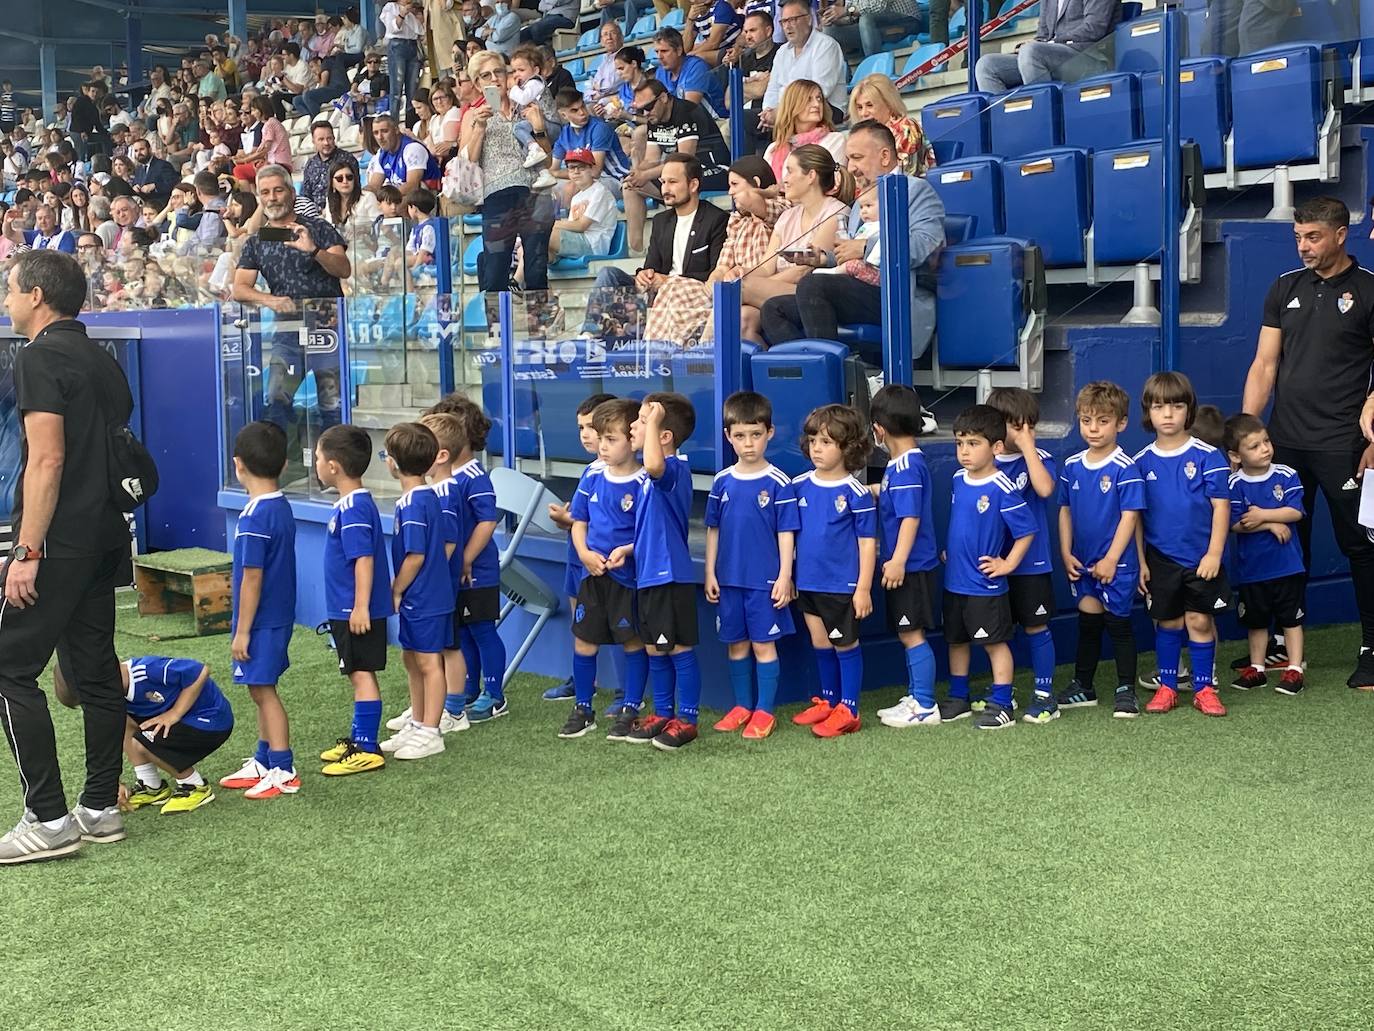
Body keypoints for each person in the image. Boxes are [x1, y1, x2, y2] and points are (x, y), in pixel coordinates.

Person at [0, 251, 135, 864]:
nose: (6, 300)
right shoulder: (102, 359)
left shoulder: (38, 356)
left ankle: (49, 819)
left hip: (60, 541)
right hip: (107, 535)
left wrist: (25, 551)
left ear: (35, 294)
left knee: (9, 668)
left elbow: (47, 460)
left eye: (10, 289)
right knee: (96, 672)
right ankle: (100, 808)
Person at [1252, 198, 1374, 691]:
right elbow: (1265, 366)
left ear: (1341, 235)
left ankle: (1371, 645)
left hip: (1344, 442)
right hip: (1284, 443)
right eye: (1298, 237)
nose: (1303, 246)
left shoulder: (1369, 291)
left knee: (1361, 546)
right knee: (1283, 542)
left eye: (1313, 237)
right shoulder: (1285, 286)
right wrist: (1247, 431)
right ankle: (1283, 639)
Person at [762, 121, 946, 356]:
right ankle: (815, 375)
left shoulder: (917, 191)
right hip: (860, 288)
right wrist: (824, 259)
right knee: (773, 308)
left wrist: (866, 247)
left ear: (885, 156)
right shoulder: (862, 201)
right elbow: (852, 252)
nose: (851, 167)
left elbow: (924, 249)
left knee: (813, 285)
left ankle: (831, 379)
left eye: (857, 158)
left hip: (897, 293)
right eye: (849, 159)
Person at [1133, 371, 1231, 718]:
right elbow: (1137, 517)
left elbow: (1222, 507)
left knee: (1199, 622)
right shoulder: (1141, 462)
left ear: (1189, 409)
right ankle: (1168, 688)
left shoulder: (1208, 456)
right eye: (1159, 407)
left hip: (1201, 558)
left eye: (1176, 406)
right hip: (1161, 559)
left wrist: (1214, 553)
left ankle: (1204, 687)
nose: (1169, 414)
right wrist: (1142, 562)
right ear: (1149, 412)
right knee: (1168, 623)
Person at [703, 391, 798, 741]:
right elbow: (713, 529)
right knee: (736, 644)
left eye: (755, 435)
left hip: (765, 581)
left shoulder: (779, 482)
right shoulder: (722, 481)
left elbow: (787, 534)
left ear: (769, 433)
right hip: (728, 580)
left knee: (763, 645)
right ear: (728, 436)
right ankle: (742, 705)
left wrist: (785, 577)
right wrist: (710, 571)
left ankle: (764, 711)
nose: (748, 443)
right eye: (740, 436)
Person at [938, 405, 1038, 731]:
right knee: (956, 639)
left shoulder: (1003, 488)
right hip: (954, 581)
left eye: (973, 443)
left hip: (984, 585)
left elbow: (1027, 531)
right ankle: (958, 695)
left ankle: (1001, 701)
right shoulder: (957, 479)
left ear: (996, 447)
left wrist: (1007, 563)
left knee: (995, 643)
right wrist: (951, 551)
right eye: (959, 443)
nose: (964, 451)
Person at [613, 394, 702, 751]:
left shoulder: (673, 469)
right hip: (647, 576)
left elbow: (653, 464)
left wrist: (655, 417)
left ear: (663, 436)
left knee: (678, 648)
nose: (634, 426)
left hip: (670, 577)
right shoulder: (648, 481)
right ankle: (663, 713)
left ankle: (689, 719)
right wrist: (628, 549)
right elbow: (653, 528)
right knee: (654, 649)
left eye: (642, 421)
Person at [217, 421, 300, 800]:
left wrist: (243, 630)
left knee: (264, 691)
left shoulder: (253, 518)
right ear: (284, 465)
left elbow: (251, 579)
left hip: (261, 621)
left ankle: (283, 767)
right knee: (258, 689)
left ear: (238, 465)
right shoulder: (281, 507)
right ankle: (264, 759)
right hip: (276, 616)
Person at [1055, 381, 1145, 717]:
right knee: (1088, 623)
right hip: (1083, 563)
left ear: (1121, 423)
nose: (1093, 429)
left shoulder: (1126, 467)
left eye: (1102, 421)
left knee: (1119, 625)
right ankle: (1084, 686)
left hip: (1116, 566)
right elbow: (1064, 509)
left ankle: (1126, 690)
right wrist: (1065, 551)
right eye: (1086, 420)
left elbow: (1130, 516)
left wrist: (1111, 558)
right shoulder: (1072, 466)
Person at [788, 404, 875, 738]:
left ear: (848, 447)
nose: (817, 449)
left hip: (842, 585)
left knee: (845, 645)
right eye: (813, 441)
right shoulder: (798, 486)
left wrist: (863, 588)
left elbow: (867, 543)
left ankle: (849, 709)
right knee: (819, 641)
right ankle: (828, 702)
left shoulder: (856, 493)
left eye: (826, 442)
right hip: (807, 581)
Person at [51, 655, 229, 816]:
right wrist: (112, 782)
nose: (95, 703)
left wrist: (175, 713)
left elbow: (199, 670)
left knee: (141, 742)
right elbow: (107, 739)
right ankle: (151, 786)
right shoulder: (111, 697)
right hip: (180, 725)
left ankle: (194, 786)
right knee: (120, 721)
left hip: (211, 721)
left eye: (92, 697)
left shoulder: (147, 670)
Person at [567, 399, 651, 740]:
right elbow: (578, 520)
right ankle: (583, 708)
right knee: (584, 641)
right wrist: (585, 553)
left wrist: (625, 551)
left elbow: (648, 531)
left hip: (626, 577)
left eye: (610, 438)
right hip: (593, 574)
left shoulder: (645, 480)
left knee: (632, 642)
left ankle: (632, 706)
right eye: (599, 437)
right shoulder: (592, 474)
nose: (601, 445)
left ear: (632, 439)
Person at [314, 425, 394, 776]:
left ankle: (367, 746)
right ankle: (358, 737)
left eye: (317, 457)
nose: (314, 463)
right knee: (355, 671)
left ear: (333, 466)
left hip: (355, 610)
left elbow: (364, 558)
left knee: (361, 673)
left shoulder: (356, 507)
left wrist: (360, 606)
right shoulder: (349, 504)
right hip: (346, 608)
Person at [644, 155, 784, 346]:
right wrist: (710, 290)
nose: (730, 192)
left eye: (735, 184)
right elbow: (721, 266)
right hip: (729, 287)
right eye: (663, 182)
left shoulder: (779, 212)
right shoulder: (737, 220)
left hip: (761, 289)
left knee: (674, 286)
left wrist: (768, 192)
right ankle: (658, 351)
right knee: (673, 288)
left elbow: (757, 203)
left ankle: (668, 355)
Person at [584, 153, 729, 334]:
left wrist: (669, 281)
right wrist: (645, 275)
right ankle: (589, 335)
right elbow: (651, 267)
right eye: (663, 182)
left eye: (673, 182)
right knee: (608, 275)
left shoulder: (716, 220)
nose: (665, 189)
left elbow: (715, 274)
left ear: (693, 185)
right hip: (657, 295)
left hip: (690, 296)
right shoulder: (661, 221)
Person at [428, 396, 508, 722]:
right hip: (456, 574)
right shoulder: (443, 477)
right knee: (464, 633)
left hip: (478, 573)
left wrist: (466, 559)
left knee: (483, 631)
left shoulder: (474, 476)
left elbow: (488, 521)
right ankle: (469, 689)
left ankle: (495, 695)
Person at [377, 422, 454, 761]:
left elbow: (415, 555)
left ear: (393, 462)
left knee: (428, 662)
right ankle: (418, 720)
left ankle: (430, 730)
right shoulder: (419, 498)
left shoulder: (415, 504)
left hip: (425, 597)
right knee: (411, 658)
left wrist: (396, 589)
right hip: (420, 596)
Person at [984, 387, 1060, 724]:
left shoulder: (1040, 459)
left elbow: (1044, 489)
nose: (1020, 432)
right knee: (1000, 631)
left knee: (1036, 626)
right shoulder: (986, 462)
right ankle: (1003, 694)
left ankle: (1045, 696)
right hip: (994, 563)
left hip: (1031, 564)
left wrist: (1029, 448)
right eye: (1013, 425)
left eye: (1027, 425)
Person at [868, 386, 942, 730]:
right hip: (908, 564)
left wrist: (897, 561)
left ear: (878, 428)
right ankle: (916, 696)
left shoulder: (909, 466)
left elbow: (910, 518)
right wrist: (877, 491)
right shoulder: (901, 464)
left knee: (912, 633)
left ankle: (926, 704)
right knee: (905, 632)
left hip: (911, 567)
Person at [461, 51, 553, 312]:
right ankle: (496, 339)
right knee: (495, 270)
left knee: (536, 270)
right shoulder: (473, 115)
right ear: (478, 83)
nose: (494, 79)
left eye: (498, 72)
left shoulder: (526, 105)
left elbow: (546, 160)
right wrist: (479, 128)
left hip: (535, 192)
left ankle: (540, 334)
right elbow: (467, 162)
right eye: (486, 75)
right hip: (497, 196)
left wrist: (538, 127)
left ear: (508, 75)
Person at [1224, 413, 1309, 695]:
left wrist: (1264, 515)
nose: (1265, 449)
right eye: (1255, 446)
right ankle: (1257, 669)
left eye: (1266, 442)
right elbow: (1236, 523)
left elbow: (1295, 511)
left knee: (1291, 619)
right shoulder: (1234, 484)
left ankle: (1294, 668)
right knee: (1256, 621)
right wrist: (1270, 523)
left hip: (1286, 566)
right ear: (1236, 455)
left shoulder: (1286, 475)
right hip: (1253, 570)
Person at [543, 393, 620, 703]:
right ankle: (582, 680)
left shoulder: (620, 472)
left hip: (605, 563)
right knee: (582, 624)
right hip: (578, 559)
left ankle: (625, 690)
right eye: (582, 427)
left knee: (619, 626)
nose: (588, 435)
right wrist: (567, 520)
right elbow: (581, 517)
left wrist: (569, 518)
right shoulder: (590, 470)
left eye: (593, 427)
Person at [743, 144, 853, 337]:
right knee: (743, 319)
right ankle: (770, 366)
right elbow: (766, 266)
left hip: (809, 293)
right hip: (777, 288)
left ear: (811, 176)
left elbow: (803, 271)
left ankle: (701, 355)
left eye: (790, 171)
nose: (784, 179)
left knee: (737, 288)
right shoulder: (787, 216)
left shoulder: (836, 213)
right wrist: (744, 273)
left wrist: (753, 284)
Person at [416, 413, 476, 736]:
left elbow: (450, 542)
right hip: (436, 586)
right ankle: (428, 708)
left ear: (440, 456)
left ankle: (454, 710)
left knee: (450, 646)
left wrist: (430, 576)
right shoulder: (434, 489)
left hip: (442, 587)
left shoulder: (446, 492)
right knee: (439, 646)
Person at [622, 79, 731, 253]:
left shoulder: (687, 111)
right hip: (683, 173)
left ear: (664, 97)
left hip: (715, 168)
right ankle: (637, 252)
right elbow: (651, 159)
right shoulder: (654, 118)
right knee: (630, 187)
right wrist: (637, 171)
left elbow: (684, 160)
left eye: (648, 107)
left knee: (672, 183)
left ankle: (675, 249)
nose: (645, 113)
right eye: (640, 109)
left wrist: (646, 175)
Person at [233, 164, 351, 311]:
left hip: (328, 325)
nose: (272, 198)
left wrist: (315, 251)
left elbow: (344, 270)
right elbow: (239, 289)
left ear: (292, 193)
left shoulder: (318, 227)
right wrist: (269, 300)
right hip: (286, 326)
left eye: (278, 190)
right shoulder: (258, 240)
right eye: (265, 192)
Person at [974, 0, 1119, 93]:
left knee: (1031, 51)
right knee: (987, 65)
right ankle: (1005, 121)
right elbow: (1043, 35)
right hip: (1053, 55)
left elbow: (1094, 29)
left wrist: (1050, 43)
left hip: (1089, 56)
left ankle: (1042, 115)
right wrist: (1034, 43)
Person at [761, 0, 848, 130]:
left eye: (793, 20)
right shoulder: (782, 52)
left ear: (808, 19)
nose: (787, 26)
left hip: (823, 108)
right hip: (786, 109)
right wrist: (768, 111)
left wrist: (781, 112)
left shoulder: (826, 45)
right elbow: (773, 88)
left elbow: (820, 91)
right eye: (784, 21)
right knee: (742, 122)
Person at [849, 74, 935, 178]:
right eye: (859, 107)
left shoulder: (906, 128)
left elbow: (905, 175)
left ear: (888, 104)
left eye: (869, 105)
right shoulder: (862, 136)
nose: (864, 113)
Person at [764, 79, 846, 183]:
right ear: (792, 106)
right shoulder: (773, 149)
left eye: (819, 98)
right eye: (808, 99)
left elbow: (827, 182)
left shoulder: (834, 140)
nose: (816, 104)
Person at [551, 148, 619, 259]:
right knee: (532, 248)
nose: (576, 171)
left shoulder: (600, 192)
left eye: (581, 167)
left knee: (545, 234)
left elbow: (581, 226)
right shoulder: (576, 197)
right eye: (572, 168)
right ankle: (520, 276)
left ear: (592, 169)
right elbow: (570, 226)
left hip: (593, 245)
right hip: (577, 241)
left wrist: (550, 224)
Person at [730, 9, 777, 157]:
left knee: (737, 121)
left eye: (753, 30)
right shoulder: (744, 59)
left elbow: (760, 91)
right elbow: (729, 99)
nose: (748, 36)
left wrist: (743, 87)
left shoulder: (780, 53)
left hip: (770, 115)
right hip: (749, 118)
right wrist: (752, 81)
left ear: (768, 31)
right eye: (745, 32)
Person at [653, 27, 727, 116]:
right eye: (657, 52)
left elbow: (688, 108)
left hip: (717, 121)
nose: (659, 56)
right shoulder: (660, 72)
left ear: (679, 50)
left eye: (664, 51)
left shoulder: (696, 67)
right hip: (686, 124)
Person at [367, 113, 442, 197]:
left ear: (396, 130)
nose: (380, 137)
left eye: (384, 131)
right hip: (398, 197)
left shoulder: (412, 148)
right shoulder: (381, 153)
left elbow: (412, 185)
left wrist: (387, 201)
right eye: (375, 133)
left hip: (424, 198)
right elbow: (374, 186)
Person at [822, 0, 924, 58]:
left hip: (906, 23)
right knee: (830, 31)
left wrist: (846, 10)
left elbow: (879, 6)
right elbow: (853, 15)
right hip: (872, 27)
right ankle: (843, 80)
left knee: (867, 19)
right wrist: (835, 20)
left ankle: (875, 71)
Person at [381, 0, 427, 123]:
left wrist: (417, 15)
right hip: (397, 45)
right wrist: (402, 14)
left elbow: (421, 31)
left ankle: (411, 124)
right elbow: (392, 29)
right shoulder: (390, 7)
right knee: (396, 89)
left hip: (412, 45)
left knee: (412, 90)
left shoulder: (414, 9)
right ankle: (394, 124)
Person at [301, 122, 361, 213]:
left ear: (334, 138)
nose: (326, 143)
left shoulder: (347, 159)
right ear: (313, 141)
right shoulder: (310, 164)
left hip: (341, 212)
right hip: (315, 215)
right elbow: (306, 195)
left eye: (329, 138)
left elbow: (354, 191)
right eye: (321, 139)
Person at [685, 0, 743, 67]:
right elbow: (686, 49)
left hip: (733, 49)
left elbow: (713, 43)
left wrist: (689, 56)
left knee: (697, 59)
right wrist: (690, 21)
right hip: (716, 51)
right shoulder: (695, 16)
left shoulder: (721, 6)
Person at [583, 21, 626, 106]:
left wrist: (597, 90)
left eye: (613, 33)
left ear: (621, 37)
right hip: (603, 100)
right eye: (605, 34)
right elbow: (587, 93)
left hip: (620, 99)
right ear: (602, 41)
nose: (609, 37)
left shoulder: (625, 56)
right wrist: (596, 94)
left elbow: (609, 86)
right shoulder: (604, 61)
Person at [128, 137, 177, 209]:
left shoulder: (163, 165)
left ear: (149, 149)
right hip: (144, 206)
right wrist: (134, 188)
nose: (139, 153)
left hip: (161, 205)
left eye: (142, 149)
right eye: (136, 151)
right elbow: (135, 184)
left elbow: (173, 183)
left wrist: (155, 186)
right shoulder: (138, 169)